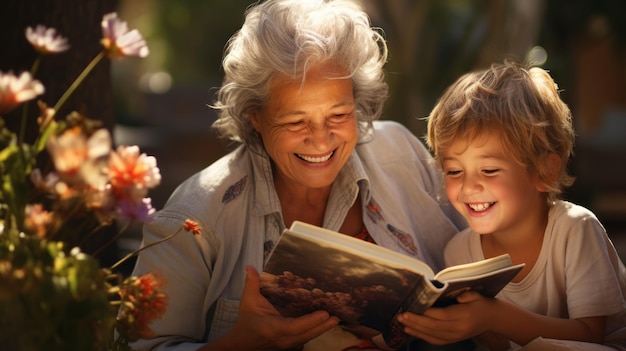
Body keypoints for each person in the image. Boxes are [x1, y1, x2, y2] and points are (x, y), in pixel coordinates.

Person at [129, 0, 467, 350]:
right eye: (295, 121)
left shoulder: (398, 152)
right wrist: (241, 344)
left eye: (338, 115)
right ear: (254, 118)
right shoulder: (194, 218)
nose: (321, 140)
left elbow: (468, 262)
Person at [399, 60, 626, 350]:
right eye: (454, 171)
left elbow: (590, 335)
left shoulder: (576, 230)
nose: (469, 187)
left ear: (544, 172)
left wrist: (494, 317)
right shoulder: (459, 252)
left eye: (490, 170)